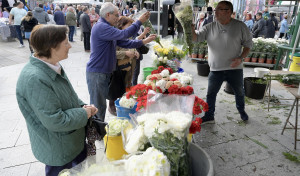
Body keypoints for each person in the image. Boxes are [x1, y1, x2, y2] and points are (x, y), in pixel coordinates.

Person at [16, 24, 98, 176]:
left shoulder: (51, 65)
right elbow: (55, 120)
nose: (70, 46)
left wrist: (82, 105)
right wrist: (84, 113)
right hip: (59, 147)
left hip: (70, 141)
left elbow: (68, 94)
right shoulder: (35, 78)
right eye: (66, 43)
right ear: (52, 47)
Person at [86, 2, 156, 121]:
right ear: (108, 15)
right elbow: (125, 34)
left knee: (101, 105)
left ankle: (99, 130)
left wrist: (144, 41)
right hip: (97, 72)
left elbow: (126, 42)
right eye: (116, 15)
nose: (118, 18)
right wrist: (139, 21)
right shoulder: (101, 27)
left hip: (103, 72)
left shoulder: (108, 28)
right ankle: (96, 133)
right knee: (98, 106)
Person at [192, 1, 252, 123]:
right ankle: (209, 115)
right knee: (211, 94)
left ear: (228, 12)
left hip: (235, 68)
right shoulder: (210, 27)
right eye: (216, 9)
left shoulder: (240, 26)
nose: (215, 12)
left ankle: (241, 111)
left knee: (240, 92)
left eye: (219, 9)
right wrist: (191, 28)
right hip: (216, 68)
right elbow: (195, 38)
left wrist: (240, 58)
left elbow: (248, 45)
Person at [108, 16, 151, 115]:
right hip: (117, 69)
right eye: (129, 25)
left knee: (125, 86)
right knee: (115, 89)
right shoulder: (115, 37)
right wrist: (125, 53)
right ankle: (112, 107)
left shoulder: (129, 37)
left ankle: (122, 104)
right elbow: (111, 53)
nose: (131, 28)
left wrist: (135, 52)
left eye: (132, 25)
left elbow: (133, 45)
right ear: (121, 26)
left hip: (128, 67)